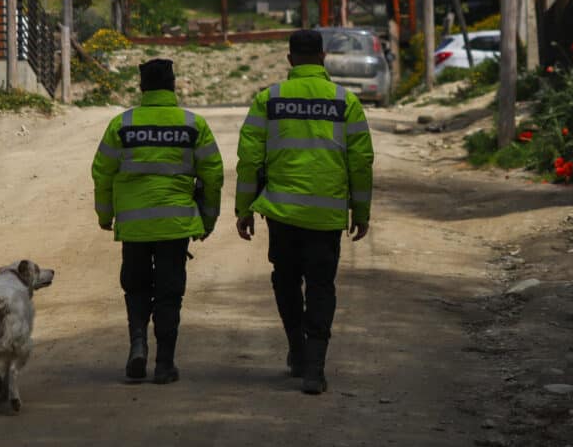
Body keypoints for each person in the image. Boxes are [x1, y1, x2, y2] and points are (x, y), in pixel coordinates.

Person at [235, 30, 374, 394]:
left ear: (290, 59)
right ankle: (315, 367)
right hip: (326, 217)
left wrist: (244, 208)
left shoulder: (269, 99)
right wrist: (361, 211)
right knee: (321, 286)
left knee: (285, 280)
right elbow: (361, 162)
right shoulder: (346, 101)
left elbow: (249, 159)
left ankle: (297, 349)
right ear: (323, 57)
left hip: (281, 214)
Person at [92, 59, 223, 384]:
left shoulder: (122, 124)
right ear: (173, 85)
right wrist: (207, 220)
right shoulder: (193, 124)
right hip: (175, 226)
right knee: (169, 292)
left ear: (141, 87)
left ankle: (138, 344)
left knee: (136, 287)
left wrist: (105, 215)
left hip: (134, 227)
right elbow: (213, 176)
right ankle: (164, 363)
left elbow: (102, 173)